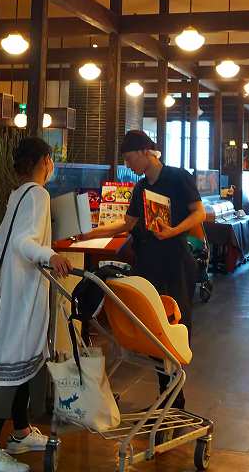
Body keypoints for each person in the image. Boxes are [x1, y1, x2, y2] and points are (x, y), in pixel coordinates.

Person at [77, 130, 205, 409]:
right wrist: (89, 233)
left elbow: (199, 212)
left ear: (146, 151)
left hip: (175, 261)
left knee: (175, 324)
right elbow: (128, 223)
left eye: (129, 158)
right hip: (148, 261)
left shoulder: (178, 177)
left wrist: (173, 230)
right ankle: (169, 395)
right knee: (150, 328)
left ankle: (174, 397)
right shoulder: (140, 187)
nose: (128, 164)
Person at [0, 137, 72, 472]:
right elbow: (21, 241)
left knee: (23, 365)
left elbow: (6, 241)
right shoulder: (39, 194)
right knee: (11, 371)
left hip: (15, 292)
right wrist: (50, 255)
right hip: (24, 297)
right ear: (45, 160)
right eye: (51, 159)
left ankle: (20, 433)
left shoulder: (17, 195)